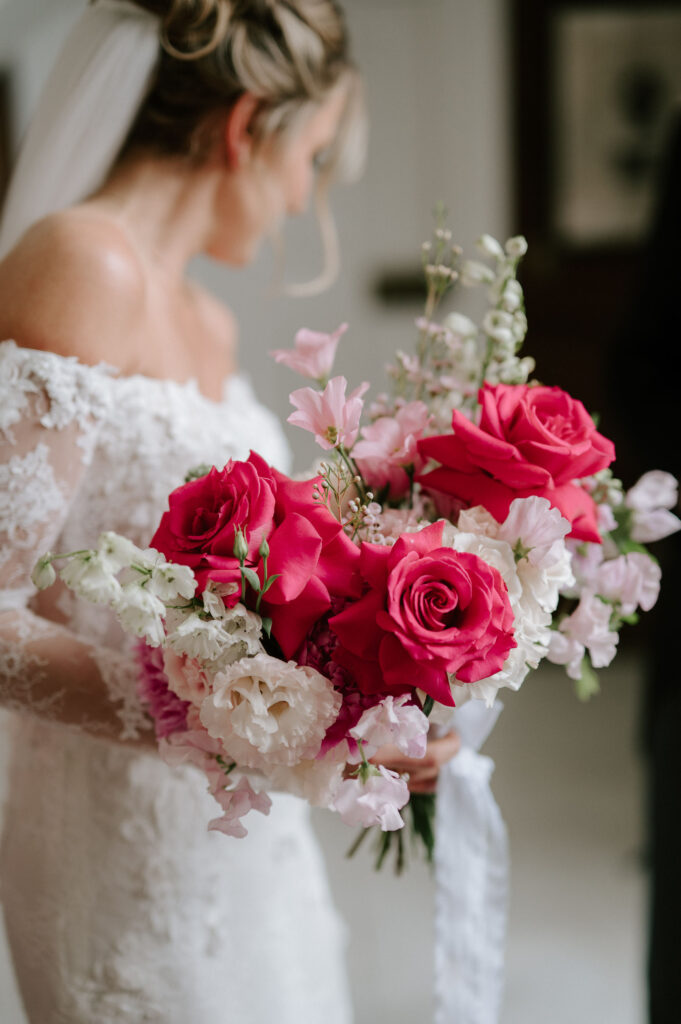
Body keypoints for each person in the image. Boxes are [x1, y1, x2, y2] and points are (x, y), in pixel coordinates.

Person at [0, 2, 459, 1021]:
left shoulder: (204, 317)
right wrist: (225, 714)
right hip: (112, 850)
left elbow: (247, 597)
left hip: (240, 848)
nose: (308, 197)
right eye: (316, 157)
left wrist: (357, 694)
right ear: (250, 127)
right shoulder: (80, 262)